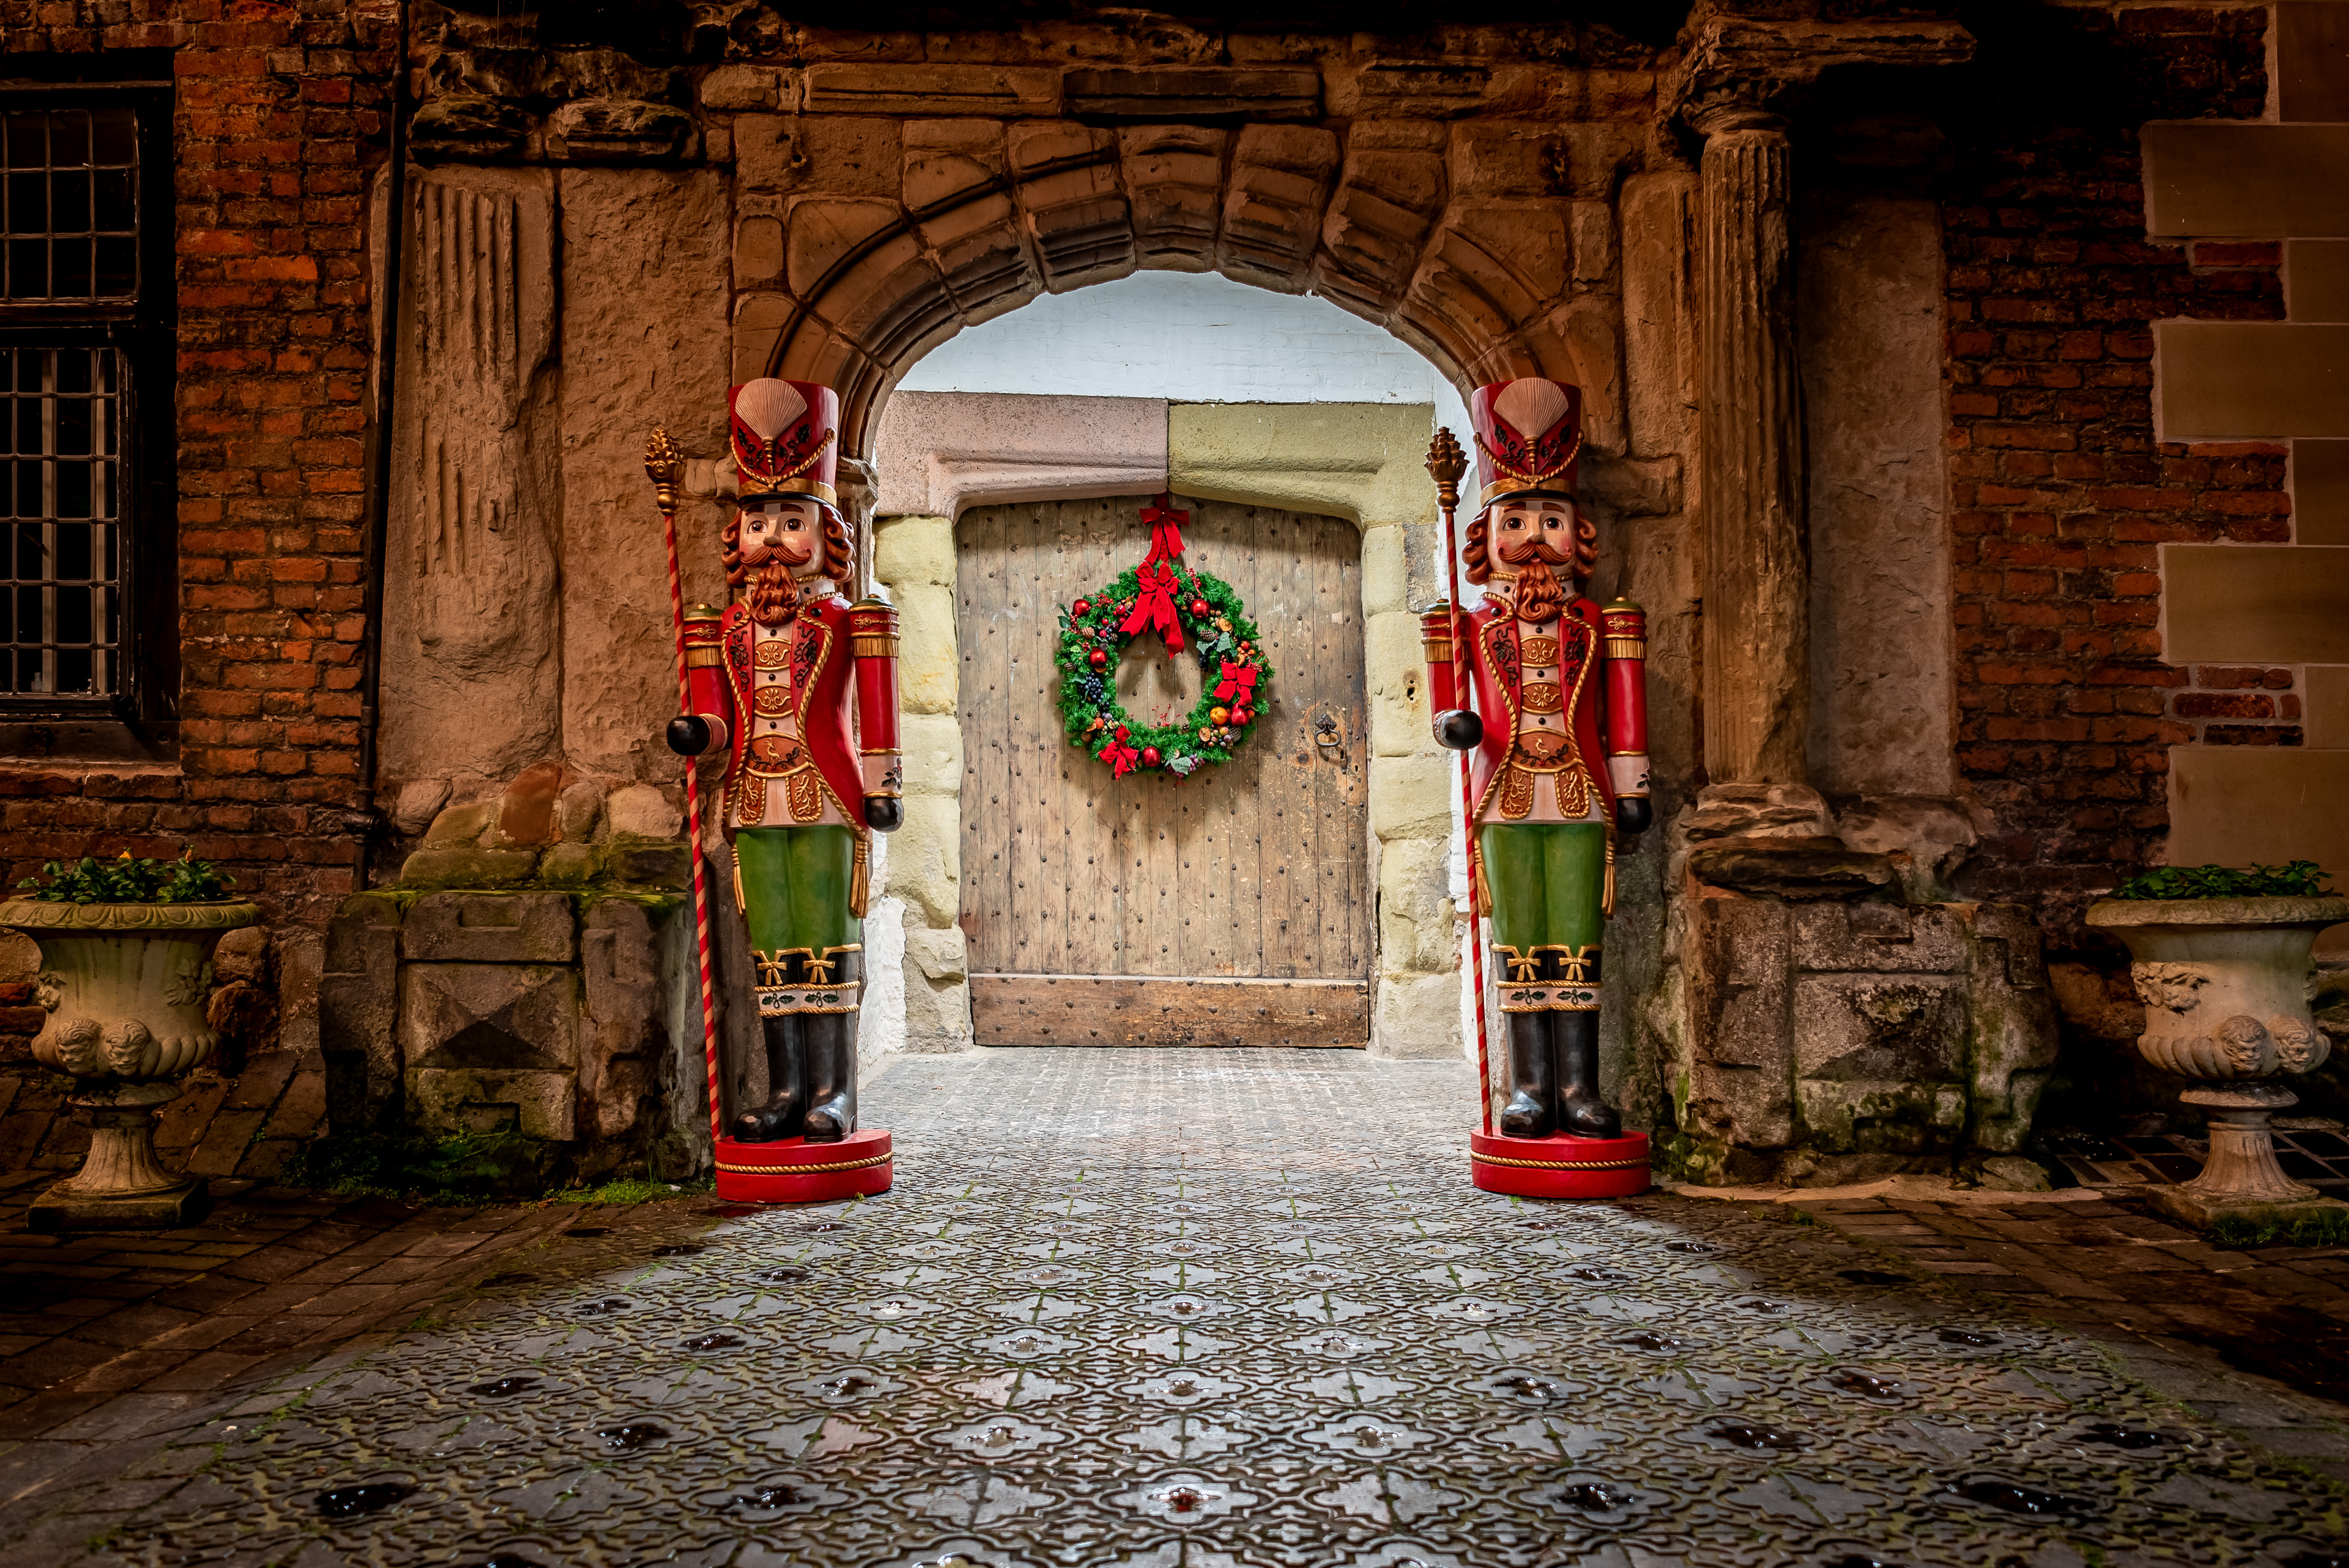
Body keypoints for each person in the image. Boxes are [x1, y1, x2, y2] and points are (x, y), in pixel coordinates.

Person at [666, 378, 902, 1144]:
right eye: (758, 521)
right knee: (772, 948)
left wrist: (884, 786)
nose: (772, 537)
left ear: (825, 531)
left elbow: (878, 712)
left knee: (827, 938)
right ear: (737, 536)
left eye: (790, 520)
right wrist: (694, 734)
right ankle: (786, 1091)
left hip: (827, 797)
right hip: (751, 801)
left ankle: (835, 1093)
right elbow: (715, 714)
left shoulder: (851, 617)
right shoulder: (719, 627)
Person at [1422, 377, 1652, 1140]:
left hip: (1582, 797)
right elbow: (1448, 710)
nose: (1533, 539)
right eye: (1515, 520)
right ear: (1484, 538)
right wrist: (1455, 724)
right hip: (1509, 798)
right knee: (1521, 942)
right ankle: (1528, 1088)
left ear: (1578, 535)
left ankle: (1580, 1088)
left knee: (1578, 944)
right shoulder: (1467, 625)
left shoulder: (1603, 622)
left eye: (1551, 520)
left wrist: (1633, 784)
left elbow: (1624, 712)